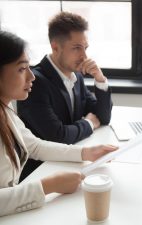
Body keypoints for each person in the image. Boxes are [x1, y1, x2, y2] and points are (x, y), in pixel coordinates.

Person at [0, 30, 117, 217]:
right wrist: (46, 186)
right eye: (22, 69)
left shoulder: (5, 111)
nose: (31, 77)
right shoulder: (40, 84)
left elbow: (34, 145)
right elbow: (56, 134)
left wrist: (86, 152)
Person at [17, 12, 113, 179]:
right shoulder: (36, 82)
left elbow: (103, 117)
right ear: (55, 47)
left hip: (69, 162)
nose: (84, 56)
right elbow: (58, 137)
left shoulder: (76, 76)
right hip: (41, 172)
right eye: (76, 48)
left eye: (85, 48)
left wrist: (100, 78)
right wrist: (89, 123)